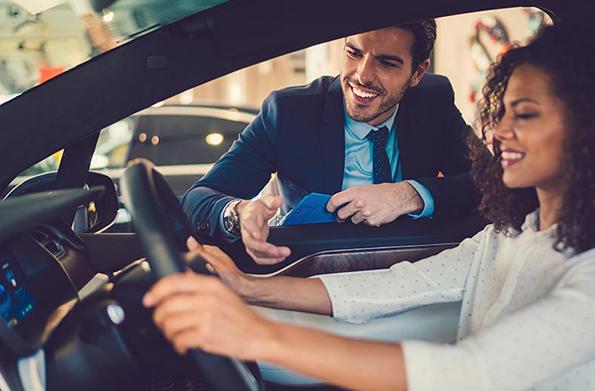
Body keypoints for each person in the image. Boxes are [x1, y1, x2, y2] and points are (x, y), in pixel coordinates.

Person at [145, 23, 595, 391]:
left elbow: (467, 370)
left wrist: (255, 332)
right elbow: (399, 284)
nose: (500, 133)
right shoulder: (518, 235)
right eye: (504, 112)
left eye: (528, 115)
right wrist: (251, 288)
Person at [182, 20, 481, 265]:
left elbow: (491, 182)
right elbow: (198, 199)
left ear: (417, 72)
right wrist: (238, 214)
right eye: (353, 53)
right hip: (315, 270)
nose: (362, 76)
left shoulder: (434, 101)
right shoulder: (289, 113)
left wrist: (408, 196)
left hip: (416, 269)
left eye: (387, 63)